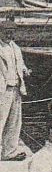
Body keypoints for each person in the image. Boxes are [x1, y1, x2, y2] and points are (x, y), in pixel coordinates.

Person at [0, 21, 28, 160]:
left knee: (15, 122)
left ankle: (9, 152)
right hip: (2, 90)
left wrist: (24, 70)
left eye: (11, 32)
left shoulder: (15, 47)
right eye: (6, 32)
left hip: (16, 88)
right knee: (1, 120)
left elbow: (20, 63)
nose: (9, 35)